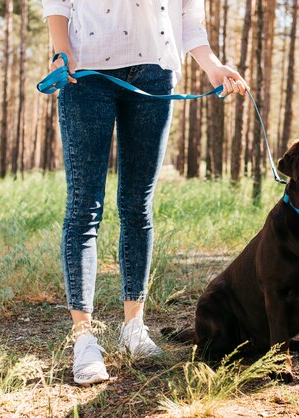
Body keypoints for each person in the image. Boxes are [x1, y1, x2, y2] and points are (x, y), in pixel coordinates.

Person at [41, 0, 248, 385]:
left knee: (138, 206)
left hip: (154, 72)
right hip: (83, 72)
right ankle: (84, 339)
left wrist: (213, 66)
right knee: (84, 207)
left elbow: (189, 21)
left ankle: (134, 327)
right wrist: (61, 52)